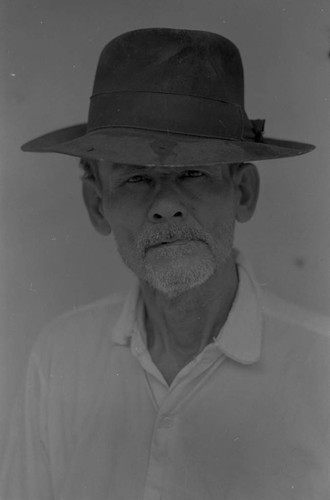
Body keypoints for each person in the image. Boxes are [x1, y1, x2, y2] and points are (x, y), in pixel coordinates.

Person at [1, 28, 329, 500]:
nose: (166, 205)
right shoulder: (61, 358)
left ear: (242, 192)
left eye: (194, 172)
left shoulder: (322, 369)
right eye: (136, 177)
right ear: (97, 205)